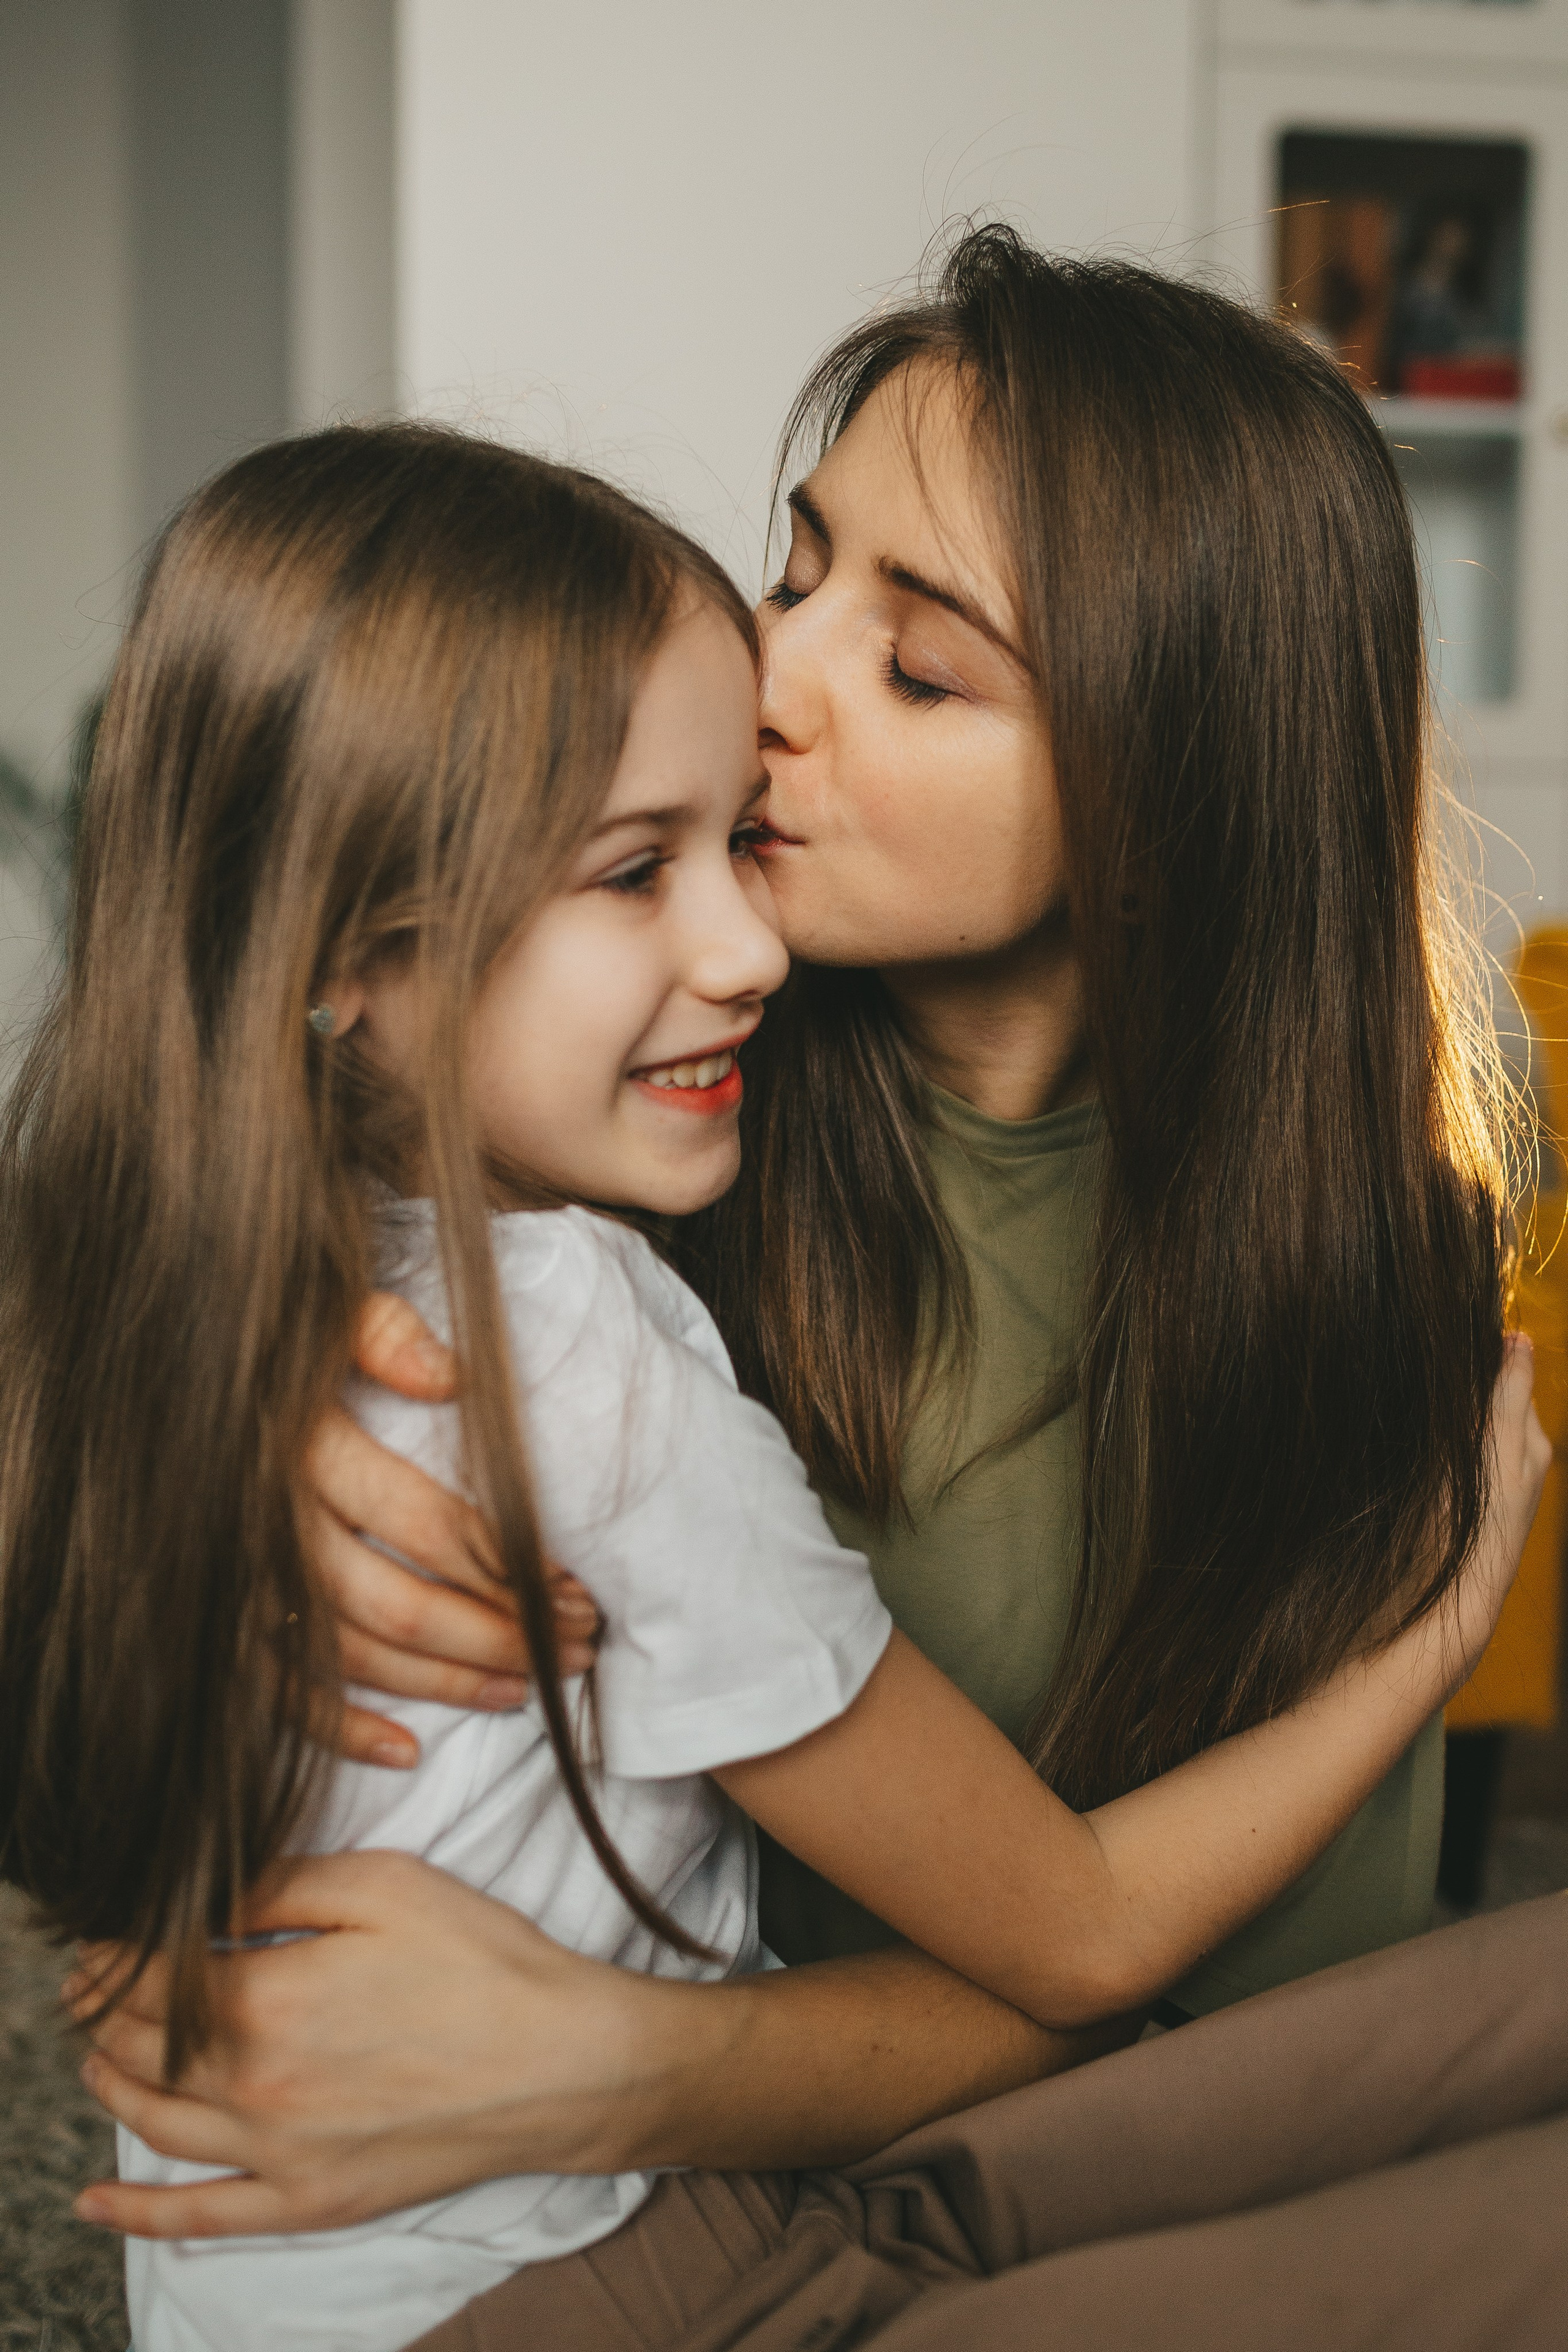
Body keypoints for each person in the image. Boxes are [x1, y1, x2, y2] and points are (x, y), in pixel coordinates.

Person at [57, 233, 1567, 2342]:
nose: (767, 681)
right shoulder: (628, 1133)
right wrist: (223, 1381)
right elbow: (179, 1115)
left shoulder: (1361, 1255)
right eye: (797, 573)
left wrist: (614, 2065)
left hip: (1053, 2128)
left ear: (1167, 788)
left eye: (918, 666)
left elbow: (1214, 2028)